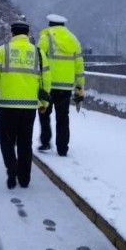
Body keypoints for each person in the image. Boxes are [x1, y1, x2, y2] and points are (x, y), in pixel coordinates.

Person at [0, 19, 51, 189]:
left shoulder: (3, 51)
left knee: (6, 141)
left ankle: (11, 169)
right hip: (29, 107)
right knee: (25, 142)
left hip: (7, 106)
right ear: (28, 34)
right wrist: (44, 102)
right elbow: (46, 80)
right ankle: (24, 179)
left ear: (12, 33)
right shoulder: (38, 53)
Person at [37, 13, 85, 156]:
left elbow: (38, 62)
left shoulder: (46, 39)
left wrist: (37, 82)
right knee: (63, 117)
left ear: (50, 24)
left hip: (48, 86)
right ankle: (63, 148)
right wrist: (79, 87)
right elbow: (79, 67)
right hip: (65, 87)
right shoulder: (73, 40)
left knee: (44, 113)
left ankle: (45, 142)